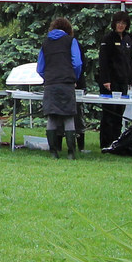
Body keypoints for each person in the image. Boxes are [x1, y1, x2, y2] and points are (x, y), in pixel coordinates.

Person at [36, 16, 84, 158]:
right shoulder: (71, 41)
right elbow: (77, 63)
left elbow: (40, 68)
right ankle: (70, 152)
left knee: (52, 116)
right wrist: (74, 77)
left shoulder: (45, 43)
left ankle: (53, 152)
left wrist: (48, 77)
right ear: (68, 30)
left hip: (51, 84)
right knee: (68, 116)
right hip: (66, 83)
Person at [97, 13, 132, 150]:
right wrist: (105, 80)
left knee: (119, 113)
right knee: (109, 113)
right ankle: (106, 142)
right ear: (114, 23)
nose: (121, 25)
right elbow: (103, 61)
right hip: (110, 82)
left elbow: (129, 61)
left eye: (123, 23)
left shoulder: (127, 39)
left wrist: (130, 79)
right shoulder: (107, 39)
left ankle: (117, 142)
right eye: (118, 22)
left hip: (123, 81)